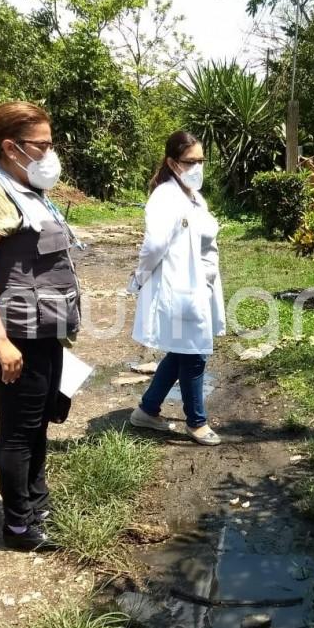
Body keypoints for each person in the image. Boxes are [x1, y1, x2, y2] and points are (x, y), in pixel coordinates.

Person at [0, 101, 80, 551]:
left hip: (43, 329)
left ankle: (35, 504)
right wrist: (0, 341)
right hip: (16, 334)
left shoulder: (23, 185)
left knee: (41, 421)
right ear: (11, 147)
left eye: (51, 144)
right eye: (41, 145)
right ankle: (19, 527)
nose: (50, 153)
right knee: (19, 429)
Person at [129, 130, 225, 445]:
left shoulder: (194, 196)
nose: (197, 167)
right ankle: (196, 422)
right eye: (190, 161)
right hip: (180, 288)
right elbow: (154, 245)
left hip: (198, 286)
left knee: (182, 352)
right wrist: (140, 276)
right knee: (194, 355)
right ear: (173, 162)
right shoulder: (165, 196)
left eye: (201, 161)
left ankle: (146, 410)